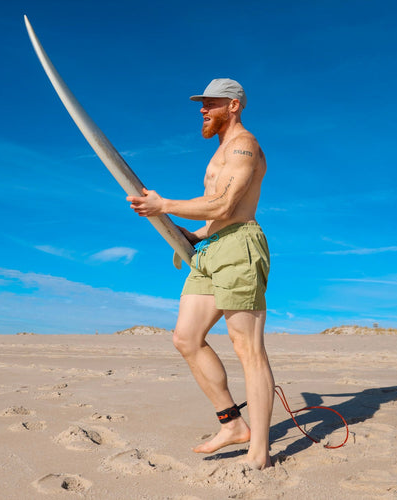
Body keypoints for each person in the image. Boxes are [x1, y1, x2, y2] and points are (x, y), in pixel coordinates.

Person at [127, 78, 274, 469]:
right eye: (202, 104)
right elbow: (213, 218)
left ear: (234, 106)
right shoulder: (222, 151)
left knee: (248, 350)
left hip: (240, 247)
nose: (202, 110)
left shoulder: (244, 145)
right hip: (210, 250)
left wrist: (164, 205)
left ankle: (259, 452)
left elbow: (225, 206)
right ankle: (232, 424)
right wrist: (189, 234)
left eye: (210, 103)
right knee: (186, 338)